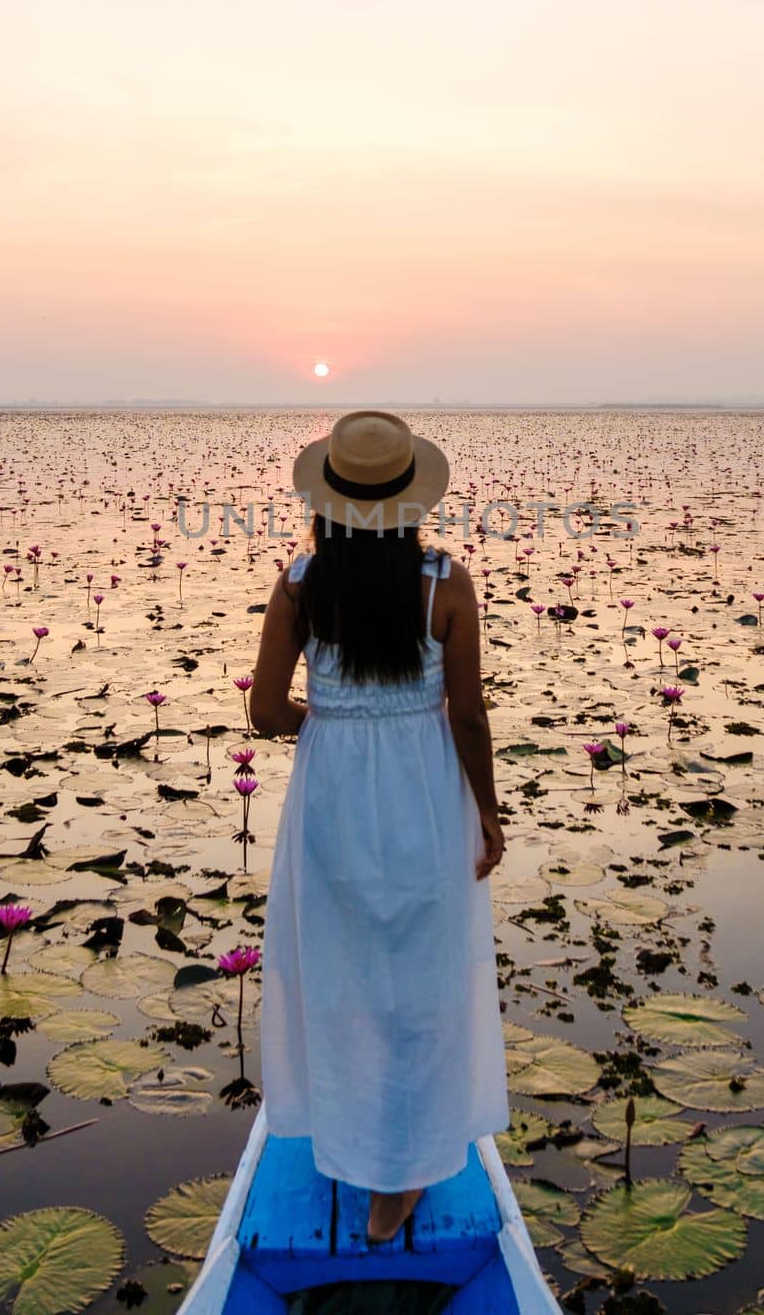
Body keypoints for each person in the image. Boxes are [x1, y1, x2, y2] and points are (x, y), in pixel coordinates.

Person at [248, 409, 510, 1246]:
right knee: (425, 976)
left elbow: (263, 710)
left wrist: (329, 722)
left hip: (331, 797)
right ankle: (400, 1175)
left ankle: (354, 1147)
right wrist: (490, 811)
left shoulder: (299, 583)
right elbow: (467, 716)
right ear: (412, 502)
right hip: (425, 793)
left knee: (341, 968)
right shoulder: (446, 583)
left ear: (326, 501)